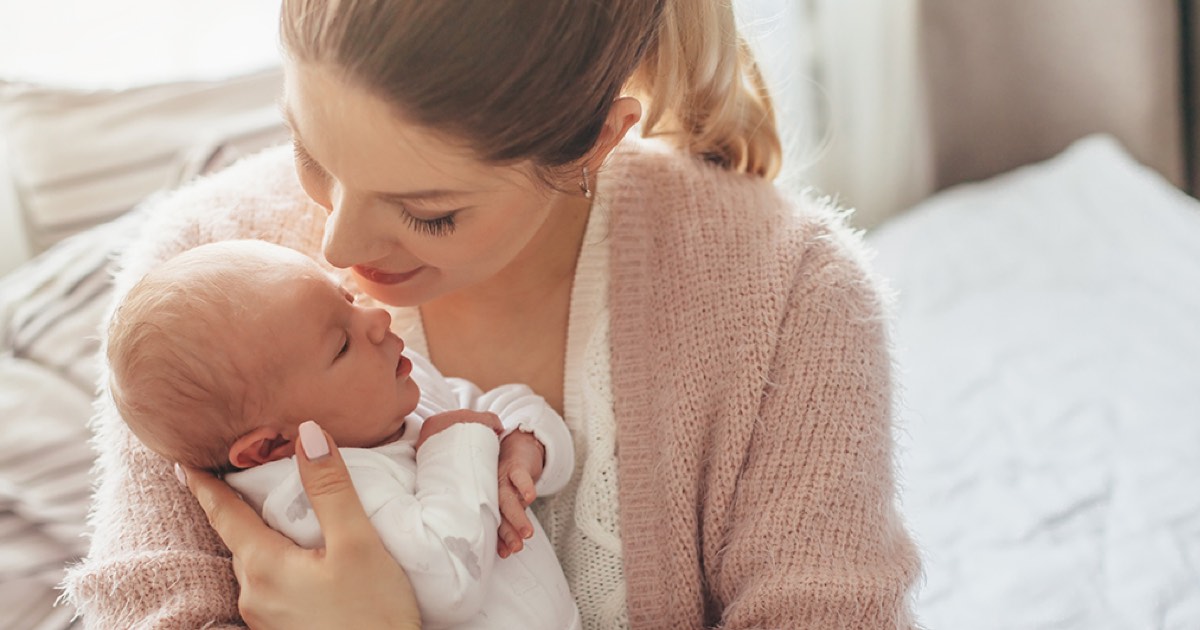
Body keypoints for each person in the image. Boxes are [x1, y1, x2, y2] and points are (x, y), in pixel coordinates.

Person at [64, 1, 922, 628]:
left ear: (597, 140)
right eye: (310, 153)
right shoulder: (202, 277)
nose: (336, 245)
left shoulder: (790, 295)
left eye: (428, 211)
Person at [104, 239, 581, 629]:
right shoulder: (311, 501)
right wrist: (454, 444)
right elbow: (448, 583)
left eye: (347, 300)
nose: (378, 320)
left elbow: (497, 405)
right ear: (270, 447)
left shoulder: (394, 396)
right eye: (341, 345)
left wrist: (524, 444)